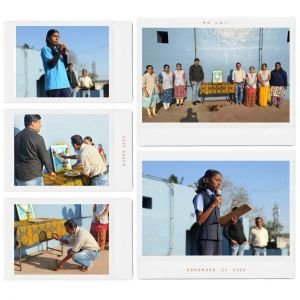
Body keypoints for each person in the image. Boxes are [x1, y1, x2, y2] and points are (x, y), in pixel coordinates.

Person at [15, 114, 56, 186]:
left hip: (19, 177)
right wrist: (51, 171)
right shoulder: (37, 137)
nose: (41, 125)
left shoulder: (16, 137)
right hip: (33, 177)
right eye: (39, 122)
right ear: (33, 123)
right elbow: (45, 157)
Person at [192, 169, 224, 255]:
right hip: (206, 239)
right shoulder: (200, 197)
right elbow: (199, 221)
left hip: (218, 238)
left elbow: (214, 220)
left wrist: (229, 221)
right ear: (207, 180)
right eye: (216, 180)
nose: (219, 183)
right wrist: (213, 205)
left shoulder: (215, 198)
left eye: (220, 181)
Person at [41, 29, 71, 97]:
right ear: (48, 38)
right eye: (54, 36)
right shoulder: (45, 49)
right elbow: (51, 64)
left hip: (65, 85)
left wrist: (64, 53)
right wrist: (59, 51)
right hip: (53, 86)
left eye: (58, 36)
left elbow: (65, 66)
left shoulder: (57, 50)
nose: (57, 38)